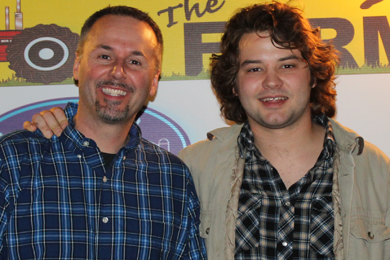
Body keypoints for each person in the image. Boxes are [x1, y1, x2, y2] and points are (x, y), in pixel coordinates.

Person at [24, 2, 390, 260]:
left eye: (288, 64)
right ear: (234, 83)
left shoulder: (377, 172)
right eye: (253, 68)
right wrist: (61, 122)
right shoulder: (192, 170)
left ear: (313, 74)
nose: (272, 82)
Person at [1, 6, 206, 259]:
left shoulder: (174, 179)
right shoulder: (12, 160)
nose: (118, 72)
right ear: (77, 66)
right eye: (105, 57)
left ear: (153, 81)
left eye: (134, 61)